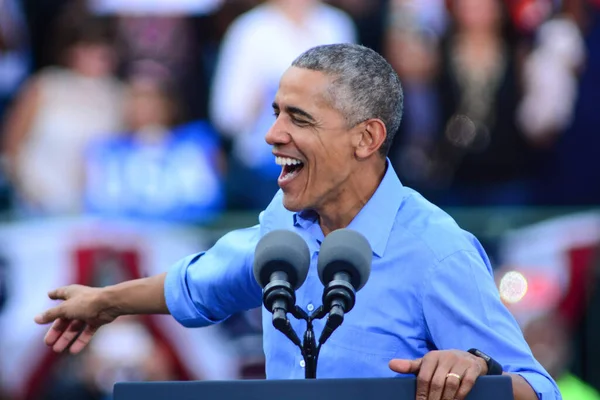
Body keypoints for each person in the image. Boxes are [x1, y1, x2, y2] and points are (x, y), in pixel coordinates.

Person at [35, 44, 561, 400]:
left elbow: (540, 390)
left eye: (298, 119)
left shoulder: (438, 251)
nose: (271, 134)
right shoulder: (280, 228)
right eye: (276, 111)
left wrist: (478, 368)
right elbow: (199, 284)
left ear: (366, 138)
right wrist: (105, 303)